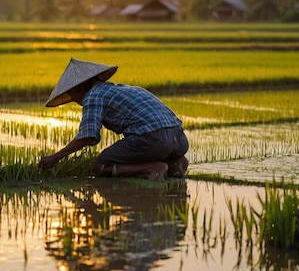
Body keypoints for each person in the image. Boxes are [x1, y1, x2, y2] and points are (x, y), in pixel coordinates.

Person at [38, 58, 189, 180]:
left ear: (80, 87)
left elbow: (88, 136)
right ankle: (175, 163)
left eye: (72, 95)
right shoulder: (130, 89)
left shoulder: (93, 95)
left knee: (101, 165)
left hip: (153, 140)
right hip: (180, 140)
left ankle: (152, 168)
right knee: (153, 151)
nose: (74, 100)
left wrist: (56, 157)